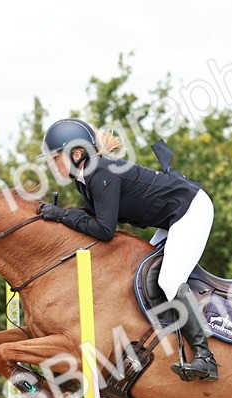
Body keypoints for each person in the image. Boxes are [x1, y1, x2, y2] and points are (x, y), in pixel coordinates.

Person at [37, 117, 218, 381]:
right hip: (172, 217)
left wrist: (62, 215)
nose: (52, 165)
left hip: (190, 210)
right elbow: (91, 218)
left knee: (168, 281)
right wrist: (63, 217)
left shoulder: (101, 173)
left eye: (56, 158)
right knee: (138, 276)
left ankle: (205, 358)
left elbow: (104, 230)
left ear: (77, 154)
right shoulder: (84, 178)